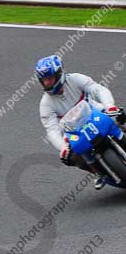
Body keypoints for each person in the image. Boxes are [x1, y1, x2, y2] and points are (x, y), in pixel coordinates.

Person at [35, 54, 126, 190]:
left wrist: (110, 106)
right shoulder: (45, 104)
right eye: (44, 80)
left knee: (121, 117)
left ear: (59, 73)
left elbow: (98, 89)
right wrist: (63, 148)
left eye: (50, 78)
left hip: (96, 114)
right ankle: (99, 172)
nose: (47, 83)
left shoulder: (76, 79)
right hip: (74, 132)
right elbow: (52, 130)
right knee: (73, 158)